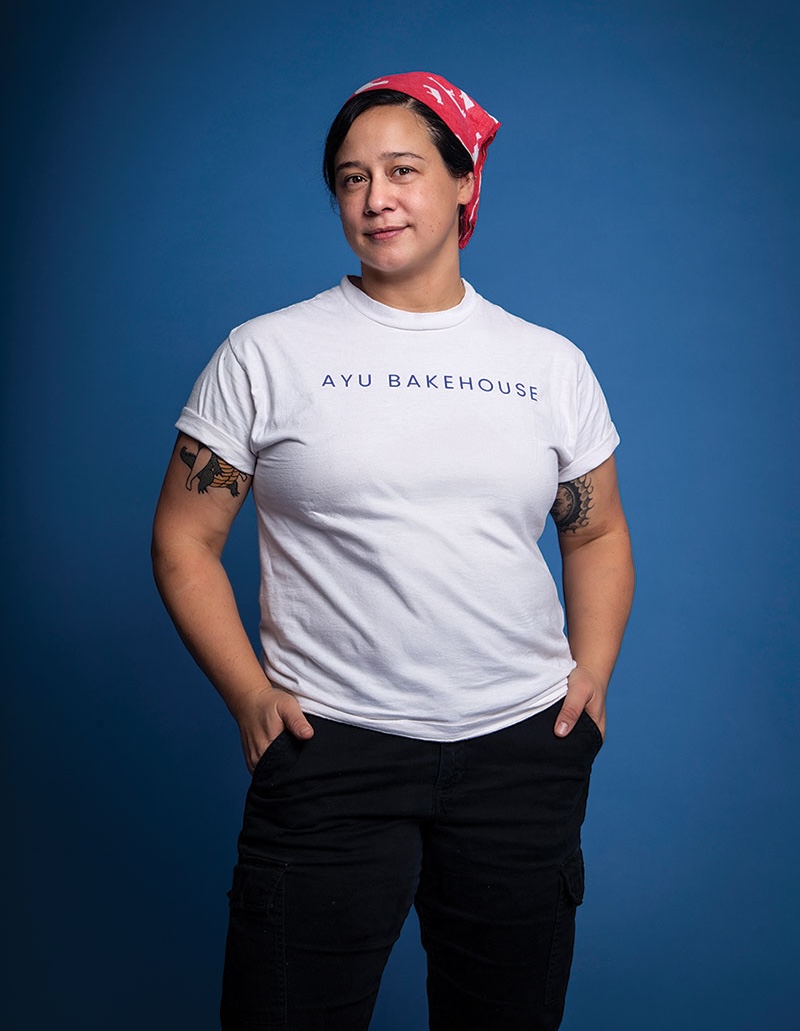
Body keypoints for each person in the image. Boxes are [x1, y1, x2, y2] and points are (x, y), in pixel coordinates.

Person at [152, 71, 634, 1031]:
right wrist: (251, 694)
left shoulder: (547, 364)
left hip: (519, 753)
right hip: (330, 751)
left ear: (465, 183)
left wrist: (595, 672)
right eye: (350, 177)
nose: (376, 199)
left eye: (404, 170)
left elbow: (598, 530)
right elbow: (184, 536)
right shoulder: (265, 354)